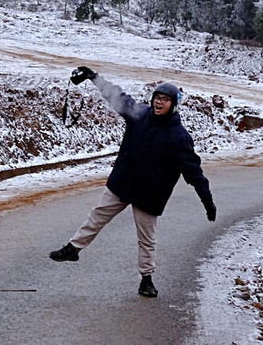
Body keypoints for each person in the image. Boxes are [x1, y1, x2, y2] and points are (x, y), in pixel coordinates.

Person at [49, 66, 216, 298]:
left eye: (165, 100)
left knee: (146, 240)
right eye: (157, 97)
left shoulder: (179, 137)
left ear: (173, 105)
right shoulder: (139, 115)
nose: (159, 102)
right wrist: (93, 76)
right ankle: (73, 248)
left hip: (149, 195)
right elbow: (116, 96)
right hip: (123, 183)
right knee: (96, 216)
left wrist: (207, 202)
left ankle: (146, 279)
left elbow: (194, 172)